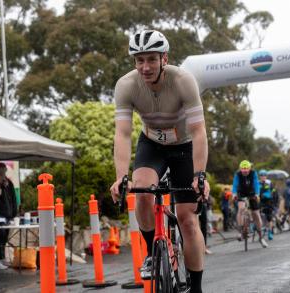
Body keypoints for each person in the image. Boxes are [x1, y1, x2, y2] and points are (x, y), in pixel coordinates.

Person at [109, 29, 210, 293]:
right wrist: (121, 177)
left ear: (164, 58)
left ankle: (196, 287)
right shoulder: (126, 85)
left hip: (184, 147)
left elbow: (199, 131)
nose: (145, 67)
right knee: (141, 193)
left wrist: (200, 175)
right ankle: (152, 250)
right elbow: (122, 132)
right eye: (139, 60)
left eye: (151, 59)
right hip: (152, 146)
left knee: (187, 219)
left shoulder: (183, 81)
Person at [232, 160, 268, 248]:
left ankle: (260, 237)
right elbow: (235, 185)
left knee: (256, 214)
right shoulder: (237, 174)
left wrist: (257, 194)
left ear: (250, 169)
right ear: (240, 169)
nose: (244, 171)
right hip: (241, 193)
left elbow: (256, 184)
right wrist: (234, 194)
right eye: (243, 169)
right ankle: (240, 231)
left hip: (252, 193)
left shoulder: (253, 173)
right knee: (241, 209)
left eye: (246, 169)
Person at [0, 162, 17, 263]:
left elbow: (13, 199)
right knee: (0, 235)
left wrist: (14, 213)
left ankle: (2, 256)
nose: (3, 172)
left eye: (5, 170)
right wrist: (1, 184)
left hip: (8, 214)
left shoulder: (9, 183)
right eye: (1, 170)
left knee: (5, 236)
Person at [259, 170, 274, 240]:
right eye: (261, 175)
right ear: (260, 176)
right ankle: (255, 225)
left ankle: (270, 232)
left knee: (269, 218)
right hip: (260, 202)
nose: (263, 177)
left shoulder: (269, 183)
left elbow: (272, 191)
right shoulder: (257, 183)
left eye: (264, 175)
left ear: (266, 176)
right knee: (256, 213)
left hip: (268, 202)